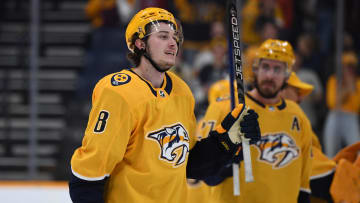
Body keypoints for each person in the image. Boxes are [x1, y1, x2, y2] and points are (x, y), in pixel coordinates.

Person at [68, 7, 261, 203]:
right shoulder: (118, 92)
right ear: (140, 43)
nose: (173, 43)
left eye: (175, 37)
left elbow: (189, 164)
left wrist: (227, 139)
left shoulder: (182, 91)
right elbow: (87, 177)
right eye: (163, 36)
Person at [198, 39, 313, 203]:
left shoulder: (297, 115)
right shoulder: (225, 108)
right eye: (265, 67)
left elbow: (303, 184)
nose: (270, 75)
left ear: (287, 75)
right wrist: (225, 160)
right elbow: (205, 173)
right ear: (255, 69)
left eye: (277, 69)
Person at [323, 51, 360, 157]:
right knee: (331, 152)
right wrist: (348, 89)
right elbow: (332, 103)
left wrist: (351, 86)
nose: (349, 70)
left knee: (357, 150)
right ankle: (332, 173)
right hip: (335, 116)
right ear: (341, 68)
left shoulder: (358, 83)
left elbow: (357, 106)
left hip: (351, 118)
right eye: (347, 66)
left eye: (352, 66)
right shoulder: (334, 80)